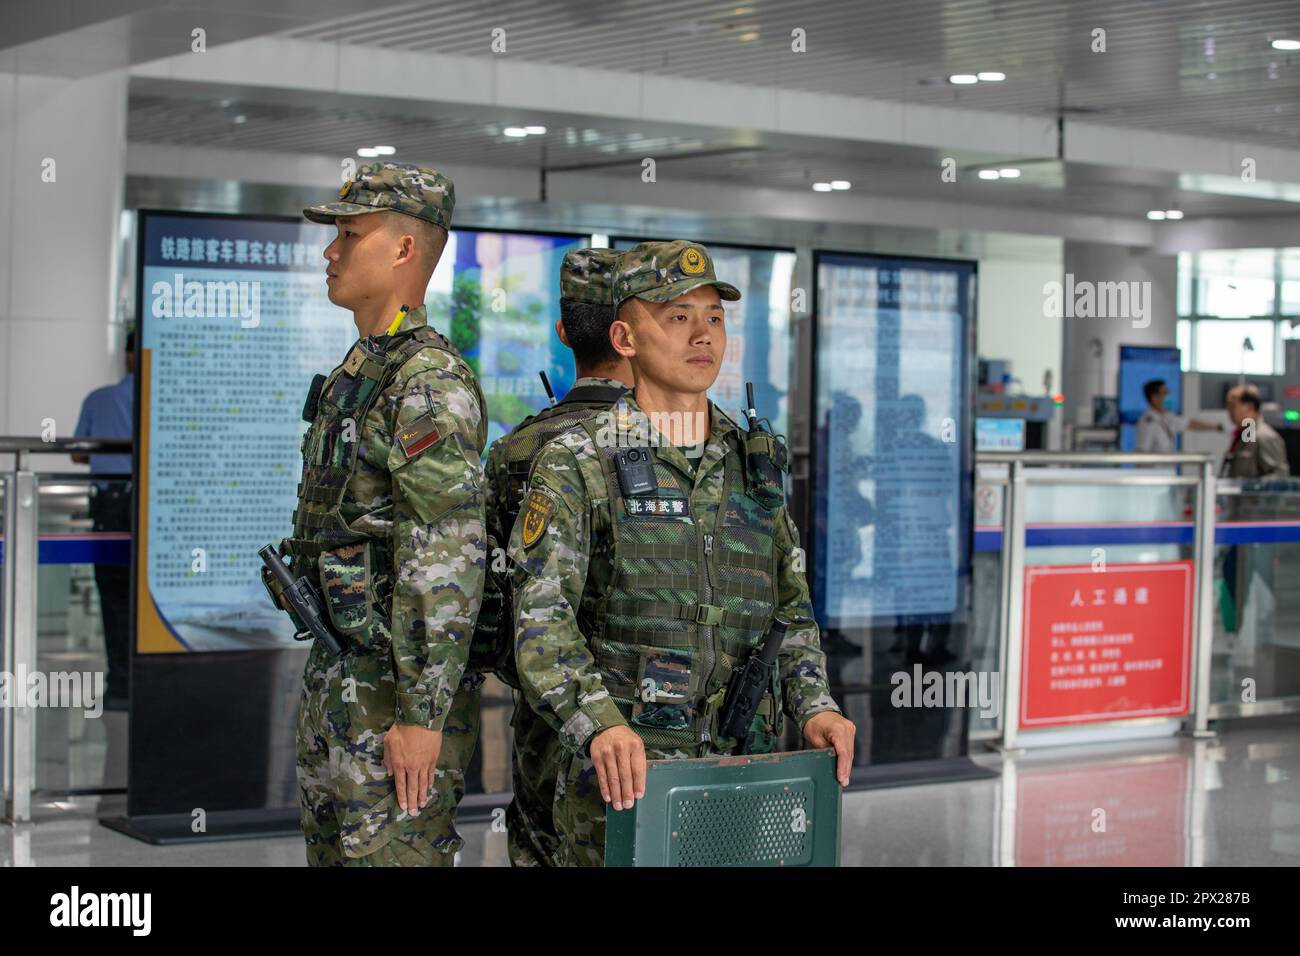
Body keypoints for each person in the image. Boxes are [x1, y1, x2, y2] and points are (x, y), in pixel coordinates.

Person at [507, 240, 855, 866]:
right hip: (619, 785)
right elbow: (540, 621)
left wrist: (816, 707)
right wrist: (600, 722)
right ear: (625, 337)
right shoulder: (578, 461)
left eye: (714, 318)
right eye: (678, 317)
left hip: (737, 776)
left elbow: (791, 610)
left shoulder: (754, 462)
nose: (703, 335)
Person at [263, 161, 488, 866]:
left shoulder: (427, 384)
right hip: (340, 681)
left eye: (349, 235)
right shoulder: (359, 373)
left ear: (403, 250)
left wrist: (421, 716)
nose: (331, 251)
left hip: (394, 704)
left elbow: (447, 560)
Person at [473, 247, 633, 867]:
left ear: (564, 332)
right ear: (633, 334)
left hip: (546, 725)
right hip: (654, 732)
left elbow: (494, 601)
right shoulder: (678, 451)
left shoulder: (516, 451)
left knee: (544, 847)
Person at [72, 330, 136, 710]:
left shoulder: (99, 399)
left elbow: (78, 454)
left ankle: (120, 687)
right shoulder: (161, 399)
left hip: (110, 505)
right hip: (148, 503)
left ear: (127, 356)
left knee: (113, 597)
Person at [1134, 378, 1222, 453]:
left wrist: (1216, 427)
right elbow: (1142, 452)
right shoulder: (1147, 422)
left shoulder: (1168, 417)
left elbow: (1190, 423)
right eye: (1165, 393)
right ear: (1154, 397)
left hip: (1168, 469)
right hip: (1154, 471)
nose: (1168, 397)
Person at [1222, 384, 1290, 478]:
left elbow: (1279, 476)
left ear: (1249, 407)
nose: (1229, 411)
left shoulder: (1264, 436)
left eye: (1233, 406)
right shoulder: (1245, 434)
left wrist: (1252, 488)